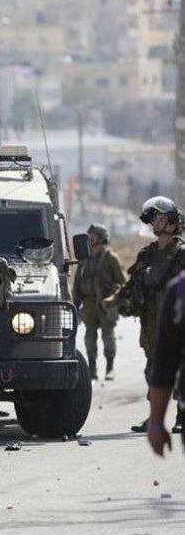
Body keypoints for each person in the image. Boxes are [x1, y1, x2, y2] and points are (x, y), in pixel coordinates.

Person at [104, 196, 185, 433]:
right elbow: (132, 283)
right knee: (152, 371)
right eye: (154, 219)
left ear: (172, 223)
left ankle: (182, 416)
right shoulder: (147, 254)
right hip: (151, 323)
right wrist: (115, 298)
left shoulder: (181, 254)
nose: (155, 223)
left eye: (161, 219)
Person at [72, 223, 126, 381]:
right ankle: (92, 368)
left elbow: (123, 282)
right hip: (89, 304)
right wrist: (75, 303)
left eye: (93, 236)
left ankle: (110, 367)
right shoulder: (84, 258)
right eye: (89, 237)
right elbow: (77, 284)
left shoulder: (110, 258)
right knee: (89, 337)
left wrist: (114, 297)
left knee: (108, 335)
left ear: (102, 238)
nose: (90, 239)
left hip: (106, 302)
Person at [147, 270, 185, 457]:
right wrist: (155, 422)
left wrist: (156, 421)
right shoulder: (179, 292)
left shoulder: (179, 290)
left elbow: (165, 363)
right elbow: (165, 362)